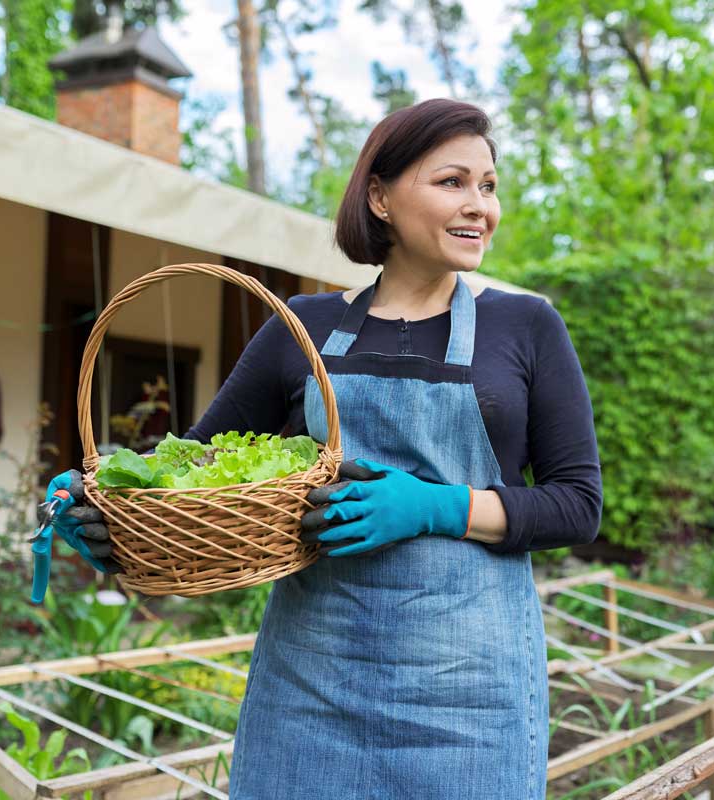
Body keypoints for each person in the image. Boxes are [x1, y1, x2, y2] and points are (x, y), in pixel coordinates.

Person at [43, 98, 603, 799]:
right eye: (452, 182)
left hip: (469, 698)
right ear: (380, 196)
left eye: (488, 186)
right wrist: (115, 511)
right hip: (312, 689)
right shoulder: (300, 328)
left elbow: (577, 505)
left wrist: (434, 506)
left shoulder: (524, 326)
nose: (480, 206)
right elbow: (192, 475)